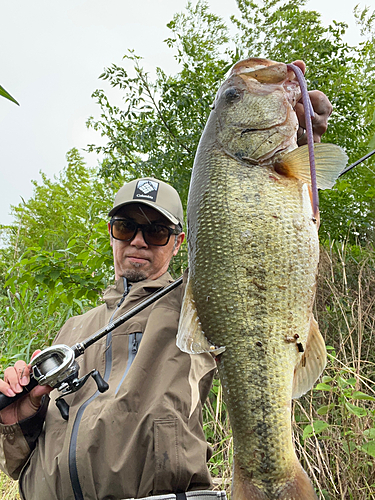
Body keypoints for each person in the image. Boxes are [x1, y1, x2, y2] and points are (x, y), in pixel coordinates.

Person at [0, 85, 333, 500]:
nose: (139, 240)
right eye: (126, 226)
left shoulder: (192, 303)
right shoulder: (73, 329)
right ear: (111, 235)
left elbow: (252, 262)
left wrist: (298, 138)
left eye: (155, 230)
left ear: (177, 243)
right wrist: (21, 418)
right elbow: (18, 466)